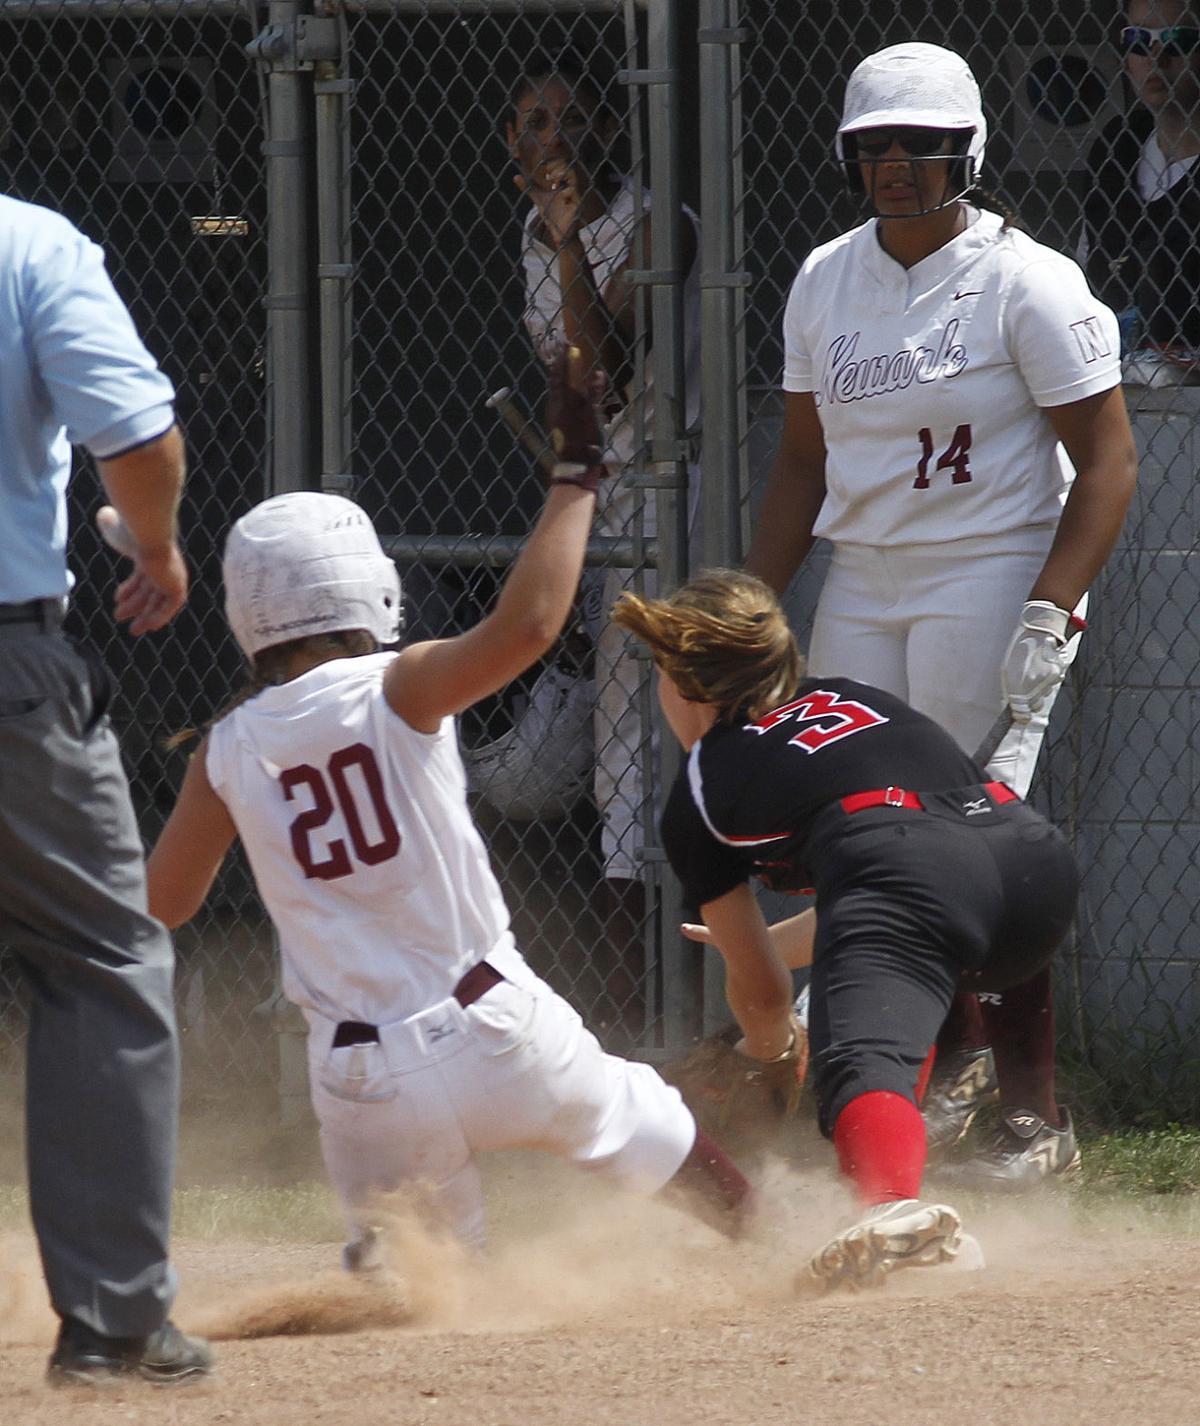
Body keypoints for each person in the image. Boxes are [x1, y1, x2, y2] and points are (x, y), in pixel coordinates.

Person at [143, 359, 752, 1261]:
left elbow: (164, 906)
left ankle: (389, 1295)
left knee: (424, 1289)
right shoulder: (396, 685)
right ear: (369, 588)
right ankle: (776, 1246)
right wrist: (575, 480)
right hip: (495, 1029)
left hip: (359, 1077)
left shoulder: (227, 746)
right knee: (651, 1129)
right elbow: (531, 628)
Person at [743, 42, 1138, 1190]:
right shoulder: (825, 278)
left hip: (990, 561)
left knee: (971, 828)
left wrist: (1052, 605)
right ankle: (939, 1070)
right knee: (861, 828)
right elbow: (801, 464)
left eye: (920, 144)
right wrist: (752, 603)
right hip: (865, 570)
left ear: (967, 149)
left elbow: (1108, 465)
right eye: (874, 146)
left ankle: (1029, 1114)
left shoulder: (1029, 281)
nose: (897, 166)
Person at [612, 569, 1081, 1290]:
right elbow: (908, 873)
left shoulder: (703, 783)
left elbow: (768, 995)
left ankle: (894, 1211)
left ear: (685, 684)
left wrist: (769, 1053)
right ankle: (1040, 1124)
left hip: (912, 877)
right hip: (1032, 869)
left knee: (860, 1059)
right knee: (904, 967)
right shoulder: (853, 699)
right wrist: (773, 948)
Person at [0, 193, 211, 1385]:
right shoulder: (27, 242)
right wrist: (158, 541)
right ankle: (115, 1320)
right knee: (100, 958)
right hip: (7, 658)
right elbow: (135, 436)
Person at [505, 54, 702, 1041]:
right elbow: (566, 394)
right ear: (512, 146)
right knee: (618, 754)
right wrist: (557, 239)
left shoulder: (657, 222)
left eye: (571, 122)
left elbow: (607, 373)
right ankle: (631, 1015)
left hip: (681, 504)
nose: (556, 142)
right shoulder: (532, 243)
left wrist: (574, 238)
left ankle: (686, 1004)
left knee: (678, 736)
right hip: (603, 507)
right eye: (535, 125)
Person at [1080, 1, 1200, 365]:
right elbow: (1085, 266)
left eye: (1178, 39)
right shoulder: (1117, 148)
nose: (1155, 56)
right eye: (1138, 39)